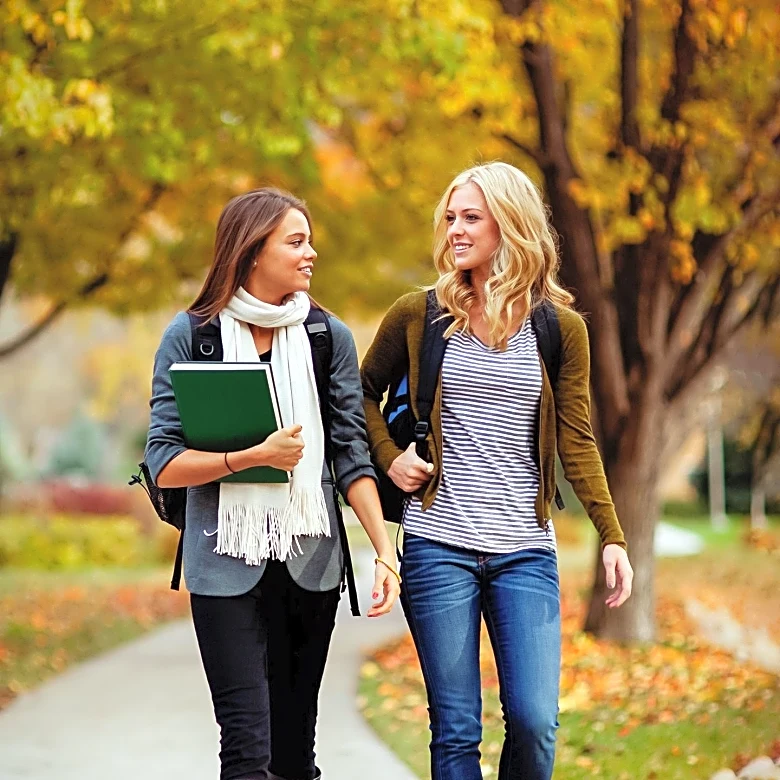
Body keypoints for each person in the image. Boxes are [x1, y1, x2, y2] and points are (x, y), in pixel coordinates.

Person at [361, 162, 633, 780]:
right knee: (456, 729)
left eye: (470, 217)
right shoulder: (420, 314)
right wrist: (390, 457)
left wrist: (612, 535)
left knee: (536, 723)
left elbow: (577, 438)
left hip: (525, 551)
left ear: (510, 224)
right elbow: (358, 394)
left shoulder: (559, 329)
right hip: (437, 545)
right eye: (450, 218)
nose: (454, 230)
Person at [145, 187, 400, 780]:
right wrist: (251, 457)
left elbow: (351, 457)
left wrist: (385, 552)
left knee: (293, 752)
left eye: (310, 241)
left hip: (311, 563)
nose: (311, 254)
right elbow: (163, 461)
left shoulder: (327, 337)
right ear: (253, 249)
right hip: (222, 563)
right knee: (245, 749)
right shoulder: (193, 337)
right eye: (296, 241)